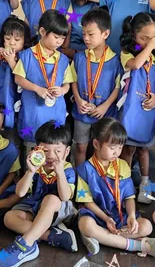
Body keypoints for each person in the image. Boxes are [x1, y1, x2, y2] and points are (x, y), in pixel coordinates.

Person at [1, 121, 78, 267]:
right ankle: (51, 235)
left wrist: (59, 172)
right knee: (9, 218)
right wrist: (30, 171)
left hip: (58, 210)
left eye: (57, 151)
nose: (50, 156)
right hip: (35, 207)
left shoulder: (67, 169)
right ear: (37, 149)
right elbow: (20, 192)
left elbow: (65, 197)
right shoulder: (36, 167)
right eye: (45, 150)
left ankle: (26, 245)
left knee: (51, 199)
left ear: (67, 152)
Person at [76, 117, 154, 256]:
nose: (117, 152)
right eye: (112, 148)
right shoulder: (85, 169)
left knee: (146, 226)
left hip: (118, 215)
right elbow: (86, 202)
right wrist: (105, 219)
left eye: (120, 147)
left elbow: (129, 197)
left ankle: (100, 238)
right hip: (96, 215)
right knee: (85, 224)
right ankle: (134, 245)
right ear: (96, 144)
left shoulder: (122, 166)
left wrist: (131, 216)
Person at [13, 9, 73, 142]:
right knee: (33, 145)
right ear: (42, 32)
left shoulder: (62, 59)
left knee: (53, 142)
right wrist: (37, 88)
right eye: (56, 37)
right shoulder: (28, 55)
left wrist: (62, 90)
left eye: (63, 38)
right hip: (33, 109)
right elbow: (18, 78)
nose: (59, 42)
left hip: (55, 110)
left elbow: (67, 83)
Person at [71, 8, 121, 165]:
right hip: (82, 112)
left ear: (105, 34)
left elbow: (118, 87)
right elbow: (73, 80)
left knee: (102, 149)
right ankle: (80, 179)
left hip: (104, 113)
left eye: (91, 34)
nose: (86, 38)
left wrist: (105, 106)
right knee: (81, 146)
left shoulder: (115, 61)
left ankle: (100, 178)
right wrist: (78, 101)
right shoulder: (79, 57)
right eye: (84, 33)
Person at [117, 12, 155, 204]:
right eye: (144, 38)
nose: (148, 42)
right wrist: (151, 46)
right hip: (131, 111)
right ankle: (126, 186)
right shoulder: (127, 54)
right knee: (129, 149)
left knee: (144, 149)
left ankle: (146, 186)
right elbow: (138, 64)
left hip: (148, 111)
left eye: (152, 38)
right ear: (134, 35)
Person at [0, 15, 31, 128]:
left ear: (24, 41)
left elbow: (24, 79)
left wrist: (11, 61)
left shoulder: (27, 56)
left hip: (20, 102)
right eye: (7, 39)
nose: (11, 43)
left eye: (17, 40)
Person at [0, 103, 21, 210]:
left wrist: (1, 189)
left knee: (17, 194)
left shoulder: (10, 149)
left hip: (2, 189)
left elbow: (12, 173)